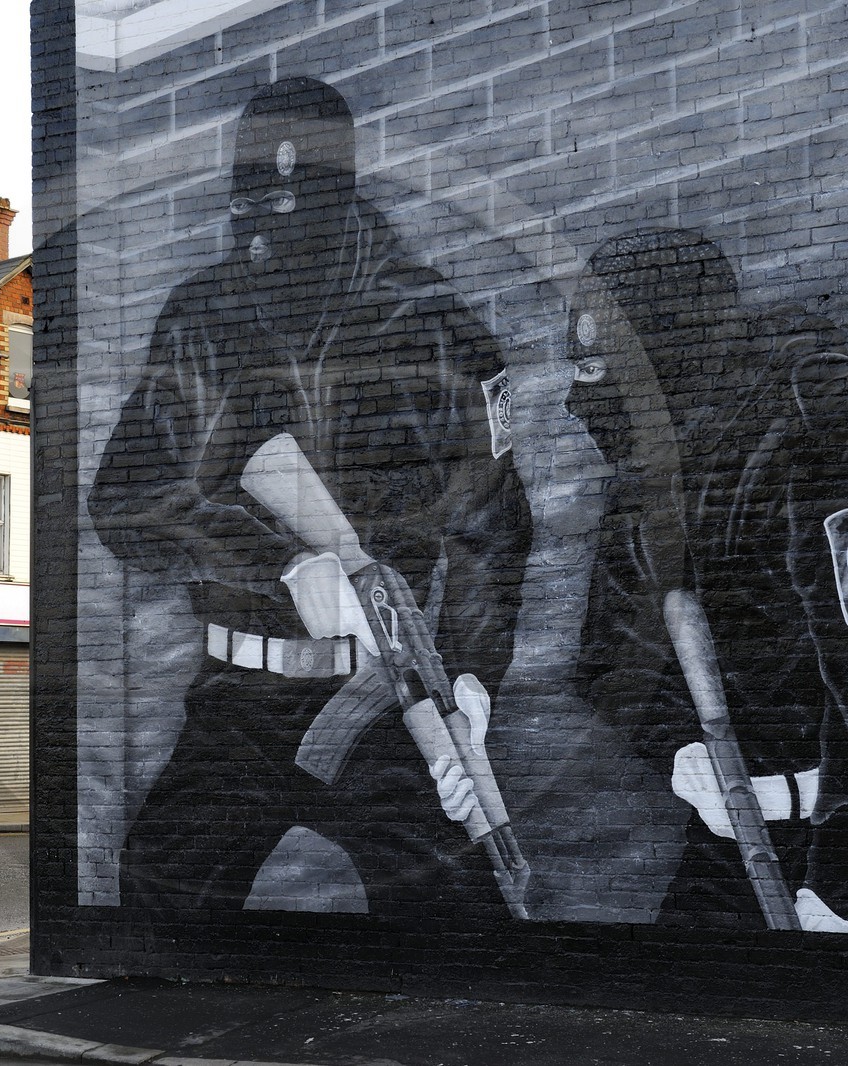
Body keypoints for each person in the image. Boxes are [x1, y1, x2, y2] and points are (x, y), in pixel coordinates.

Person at [87, 76, 533, 919]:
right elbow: (125, 500)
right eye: (248, 205)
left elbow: (490, 527)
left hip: (381, 692)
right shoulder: (202, 318)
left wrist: (470, 685)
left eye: (288, 206)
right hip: (236, 696)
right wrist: (287, 564)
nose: (260, 236)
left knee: (461, 911)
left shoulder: (434, 325)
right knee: (155, 890)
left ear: (340, 195)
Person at [566, 227, 848, 933]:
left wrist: (843, 889)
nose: (582, 402)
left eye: (600, 371)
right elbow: (611, 649)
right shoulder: (655, 469)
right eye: (582, 373)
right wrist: (685, 751)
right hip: (740, 835)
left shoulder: (830, 444)